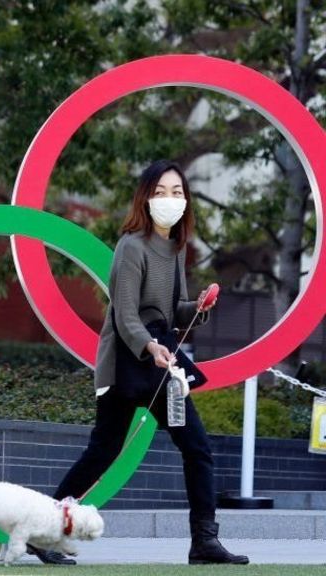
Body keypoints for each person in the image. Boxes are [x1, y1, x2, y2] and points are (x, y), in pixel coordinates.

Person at [27, 160, 249, 566]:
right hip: (126, 363)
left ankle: (204, 541)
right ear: (145, 199)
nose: (169, 199)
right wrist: (150, 346)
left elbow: (172, 311)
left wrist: (198, 309)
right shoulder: (131, 246)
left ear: (186, 200)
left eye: (177, 192)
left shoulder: (176, 248)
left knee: (197, 448)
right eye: (160, 192)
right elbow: (125, 314)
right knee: (102, 452)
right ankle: (42, 532)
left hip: (162, 364)